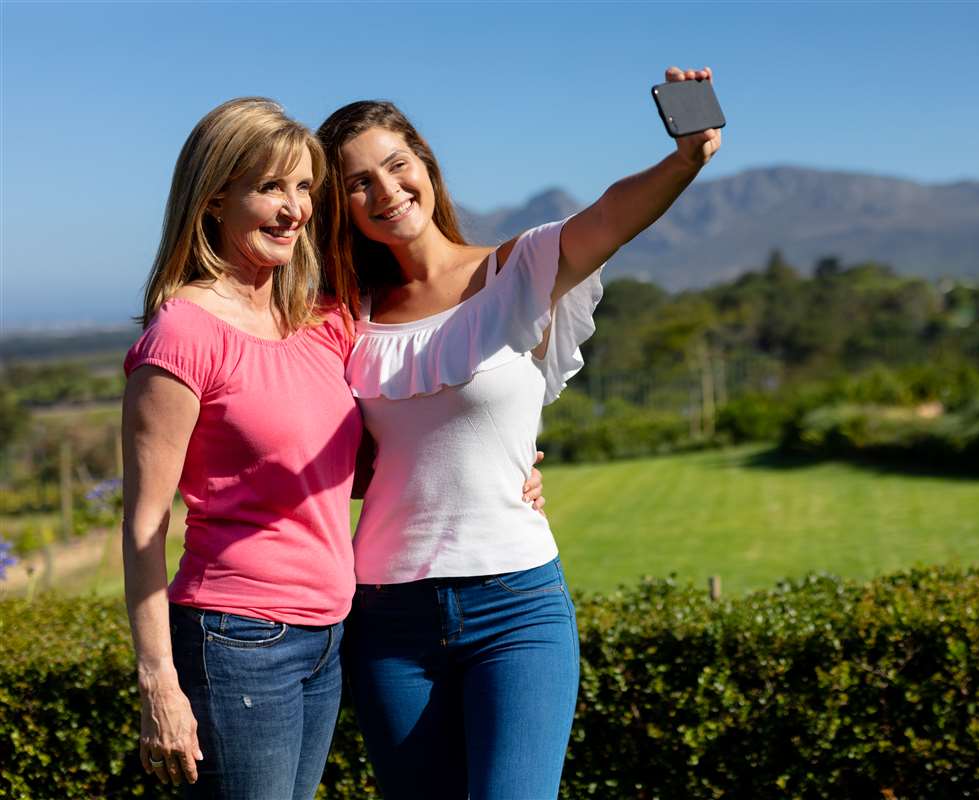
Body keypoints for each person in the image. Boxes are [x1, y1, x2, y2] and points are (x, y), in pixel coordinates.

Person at [121, 97, 545, 799]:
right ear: (215, 198)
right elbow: (143, 526)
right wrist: (158, 682)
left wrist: (507, 469)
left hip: (329, 634)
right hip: (236, 637)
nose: (294, 210)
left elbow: (369, 455)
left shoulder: (321, 318)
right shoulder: (183, 336)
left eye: (304, 189)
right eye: (270, 188)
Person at [316, 66, 721, 799]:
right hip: (388, 617)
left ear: (424, 164)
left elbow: (611, 215)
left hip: (517, 608)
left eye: (396, 166)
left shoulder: (520, 268)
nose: (385, 191)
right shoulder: (347, 315)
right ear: (340, 206)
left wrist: (685, 157)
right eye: (357, 183)